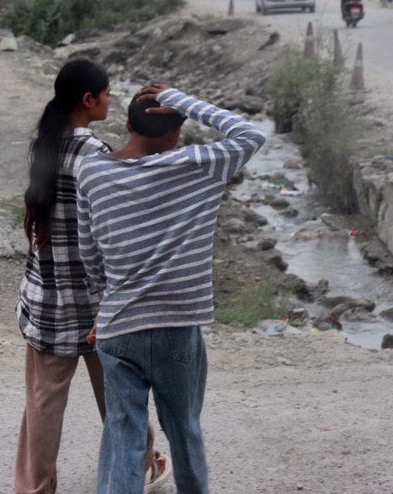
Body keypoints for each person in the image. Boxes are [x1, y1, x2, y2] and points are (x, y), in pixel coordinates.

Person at [76, 84, 266, 494]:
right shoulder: (197, 165)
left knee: (123, 434)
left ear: (127, 126)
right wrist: (182, 100)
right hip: (178, 325)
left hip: (119, 326)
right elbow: (251, 135)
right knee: (184, 430)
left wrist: (104, 304)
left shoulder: (91, 171)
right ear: (176, 134)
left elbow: (89, 255)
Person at [15, 60, 167, 494]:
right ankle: (142, 464)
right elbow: (114, 228)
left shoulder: (40, 145)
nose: (110, 99)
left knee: (43, 403)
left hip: (46, 297)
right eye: (106, 93)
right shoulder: (94, 154)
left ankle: (34, 487)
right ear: (88, 100)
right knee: (120, 399)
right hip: (97, 303)